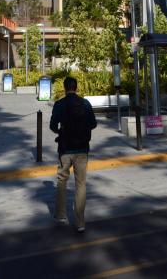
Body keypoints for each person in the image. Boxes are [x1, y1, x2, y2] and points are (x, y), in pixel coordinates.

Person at [50, 75, 97, 233]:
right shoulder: (85, 103)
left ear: (64, 88)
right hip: (82, 149)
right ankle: (80, 222)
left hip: (64, 149)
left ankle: (61, 215)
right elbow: (93, 124)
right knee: (81, 183)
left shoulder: (59, 104)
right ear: (76, 88)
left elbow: (52, 125)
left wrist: (61, 131)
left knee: (62, 180)